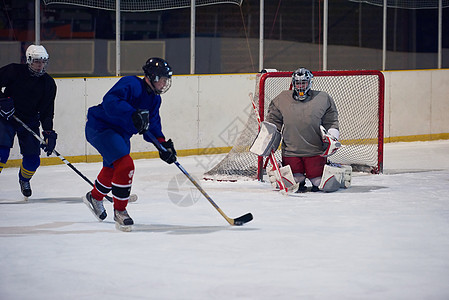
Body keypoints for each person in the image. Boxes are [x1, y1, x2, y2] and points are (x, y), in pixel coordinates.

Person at [83, 57, 177, 231]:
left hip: (121, 134)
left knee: (112, 169)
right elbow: (110, 101)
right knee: (125, 165)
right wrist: (132, 113)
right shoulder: (131, 83)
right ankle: (120, 211)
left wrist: (163, 146)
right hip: (101, 127)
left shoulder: (155, 100)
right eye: (163, 79)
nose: (165, 83)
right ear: (153, 77)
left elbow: (153, 125)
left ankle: (94, 197)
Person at [265, 67, 341, 192]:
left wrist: (332, 136)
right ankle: (299, 180)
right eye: (298, 83)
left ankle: (327, 171)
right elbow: (273, 121)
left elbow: (331, 121)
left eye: (303, 82)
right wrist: (268, 136)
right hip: (291, 152)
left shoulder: (323, 98)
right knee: (294, 181)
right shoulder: (282, 99)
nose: (301, 86)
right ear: (293, 83)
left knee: (319, 182)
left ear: (310, 82)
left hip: (315, 151)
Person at [0, 44, 57, 197]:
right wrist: (2, 100)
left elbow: (47, 111)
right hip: (7, 117)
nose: (40, 65)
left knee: (33, 161)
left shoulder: (48, 83)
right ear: (29, 60)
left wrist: (48, 132)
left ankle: (24, 179)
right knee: (1, 152)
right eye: (37, 61)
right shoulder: (14, 71)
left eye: (43, 62)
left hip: (29, 120)